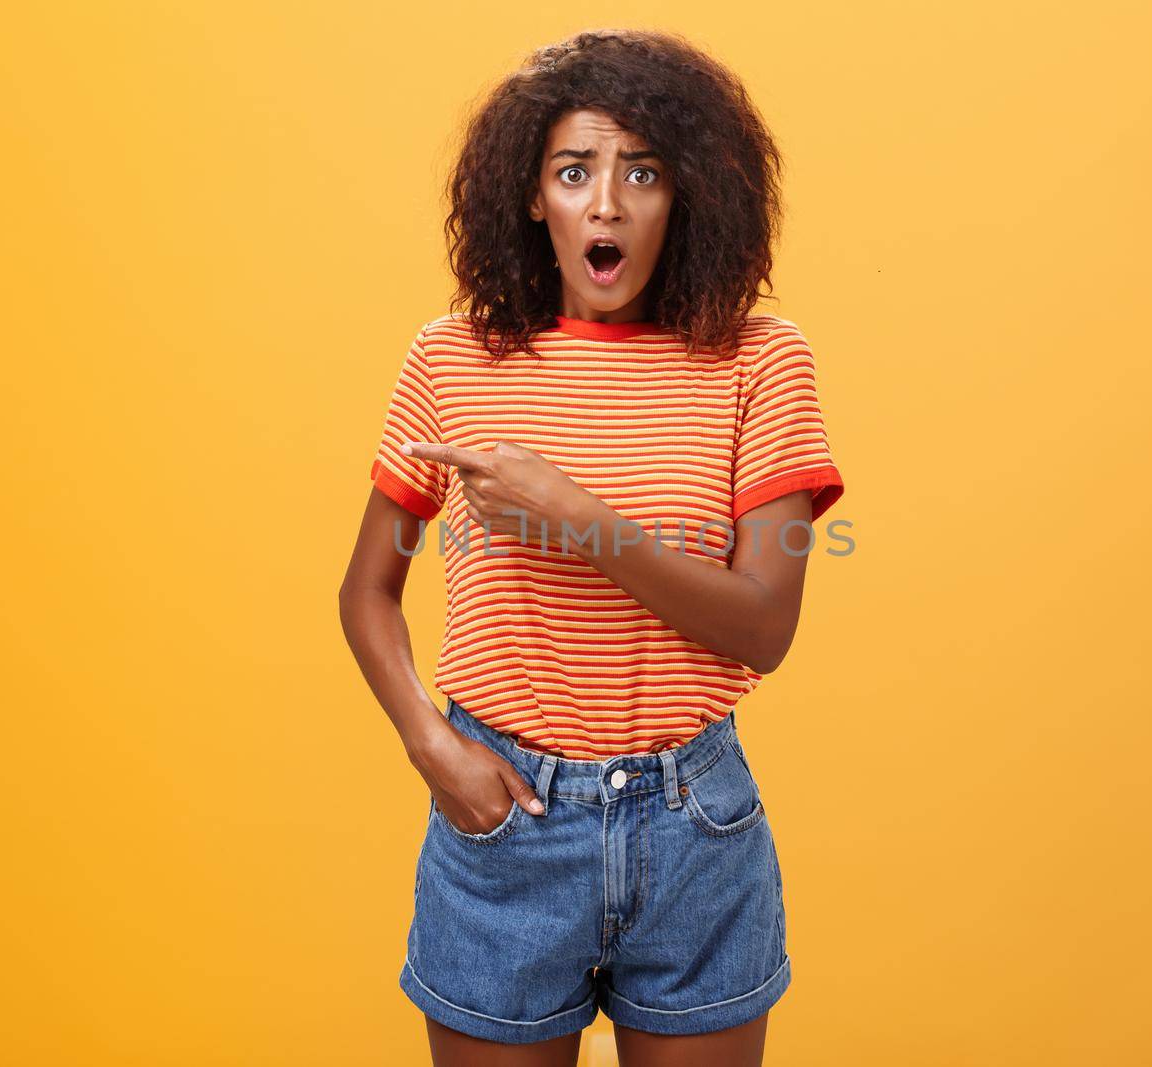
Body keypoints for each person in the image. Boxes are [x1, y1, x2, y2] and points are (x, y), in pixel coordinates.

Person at [338, 28, 845, 1067]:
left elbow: (764, 623)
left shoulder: (761, 364)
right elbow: (366, 590)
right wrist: (430, 746)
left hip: (694, 829)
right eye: (575, 172)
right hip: (503, 825)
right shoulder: (449, 360)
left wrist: (578, 519)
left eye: (642, 172)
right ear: (534, 198)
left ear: (687, 194)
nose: (606, 203)